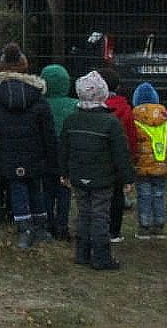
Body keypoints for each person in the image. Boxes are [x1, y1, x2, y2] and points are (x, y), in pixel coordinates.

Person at [0, 43, 56, 249]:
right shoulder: (37, 94)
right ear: (24, 65)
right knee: (35, 186)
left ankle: (24, 228)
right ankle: (41, 226)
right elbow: (47, 127)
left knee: (17, 187)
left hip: (6, 150)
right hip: (35, 150)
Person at [59, 71, 134, 270]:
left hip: (78, 176)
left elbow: (64, 149)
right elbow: (121, 153)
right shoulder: (111, 123)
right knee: (100, 216)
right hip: (103, 179)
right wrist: (127, 178)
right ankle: (101, 257)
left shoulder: (71, 121)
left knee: (83, 213)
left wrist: (64, 172)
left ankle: (82, 253)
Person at [130, 82, 167, 240]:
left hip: (142, 167)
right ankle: (159, 225)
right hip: (161, 166)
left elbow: (131, 144)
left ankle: (144, 225)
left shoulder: (135, 122)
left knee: (143, 194)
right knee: (159, 194)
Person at [97, 66, 136, 244]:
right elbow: (131, 135)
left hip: (99, 157)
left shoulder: (94, 108)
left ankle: (99, 227)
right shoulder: (126, 109)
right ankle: (114, 231)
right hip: (119, 158)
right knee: (117, 195)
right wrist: (131, 157)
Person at [40, 64, 78, 241]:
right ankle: (62, 225)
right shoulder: (74, 106)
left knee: (46, 191)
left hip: (45, 155)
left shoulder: (40, 104)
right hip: (67, 156)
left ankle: (48, 223)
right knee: (64, 191)